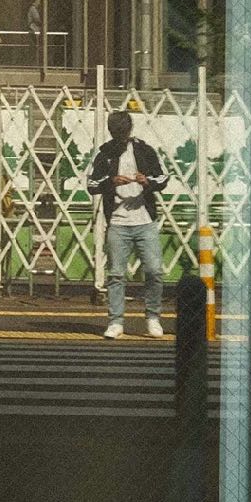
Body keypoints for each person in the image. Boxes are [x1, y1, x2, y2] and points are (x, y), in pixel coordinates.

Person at [89, 109, 168, 338]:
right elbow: (92, 184)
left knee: (154, 271)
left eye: (122, 132)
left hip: (145, 220)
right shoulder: (104, 154)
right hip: (118, 221)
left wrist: (147, 181)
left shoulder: (144, 150)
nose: (120, 136)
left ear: (129, 129)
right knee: (116, 274)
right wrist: (111, 182)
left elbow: (163, 178)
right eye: (117, 132)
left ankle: (153, 317)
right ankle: (116, 321)